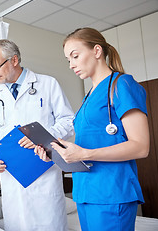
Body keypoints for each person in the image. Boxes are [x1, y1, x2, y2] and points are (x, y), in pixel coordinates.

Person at [35, 27, 149, 231]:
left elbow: (141, 146)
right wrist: (55, 153)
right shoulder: (89, 97)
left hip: (111, 191)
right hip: (85, 193)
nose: (71, 65)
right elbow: (85, 149)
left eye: (75, 56)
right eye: (68, 60)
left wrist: (85, 153)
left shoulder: (121, 84)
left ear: (97, 51)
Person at [0, 39, 75, 231]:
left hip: (44, 174)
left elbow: (68, 121)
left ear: (14, 60)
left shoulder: (47, 84)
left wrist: (41, 137)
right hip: (11, 179)